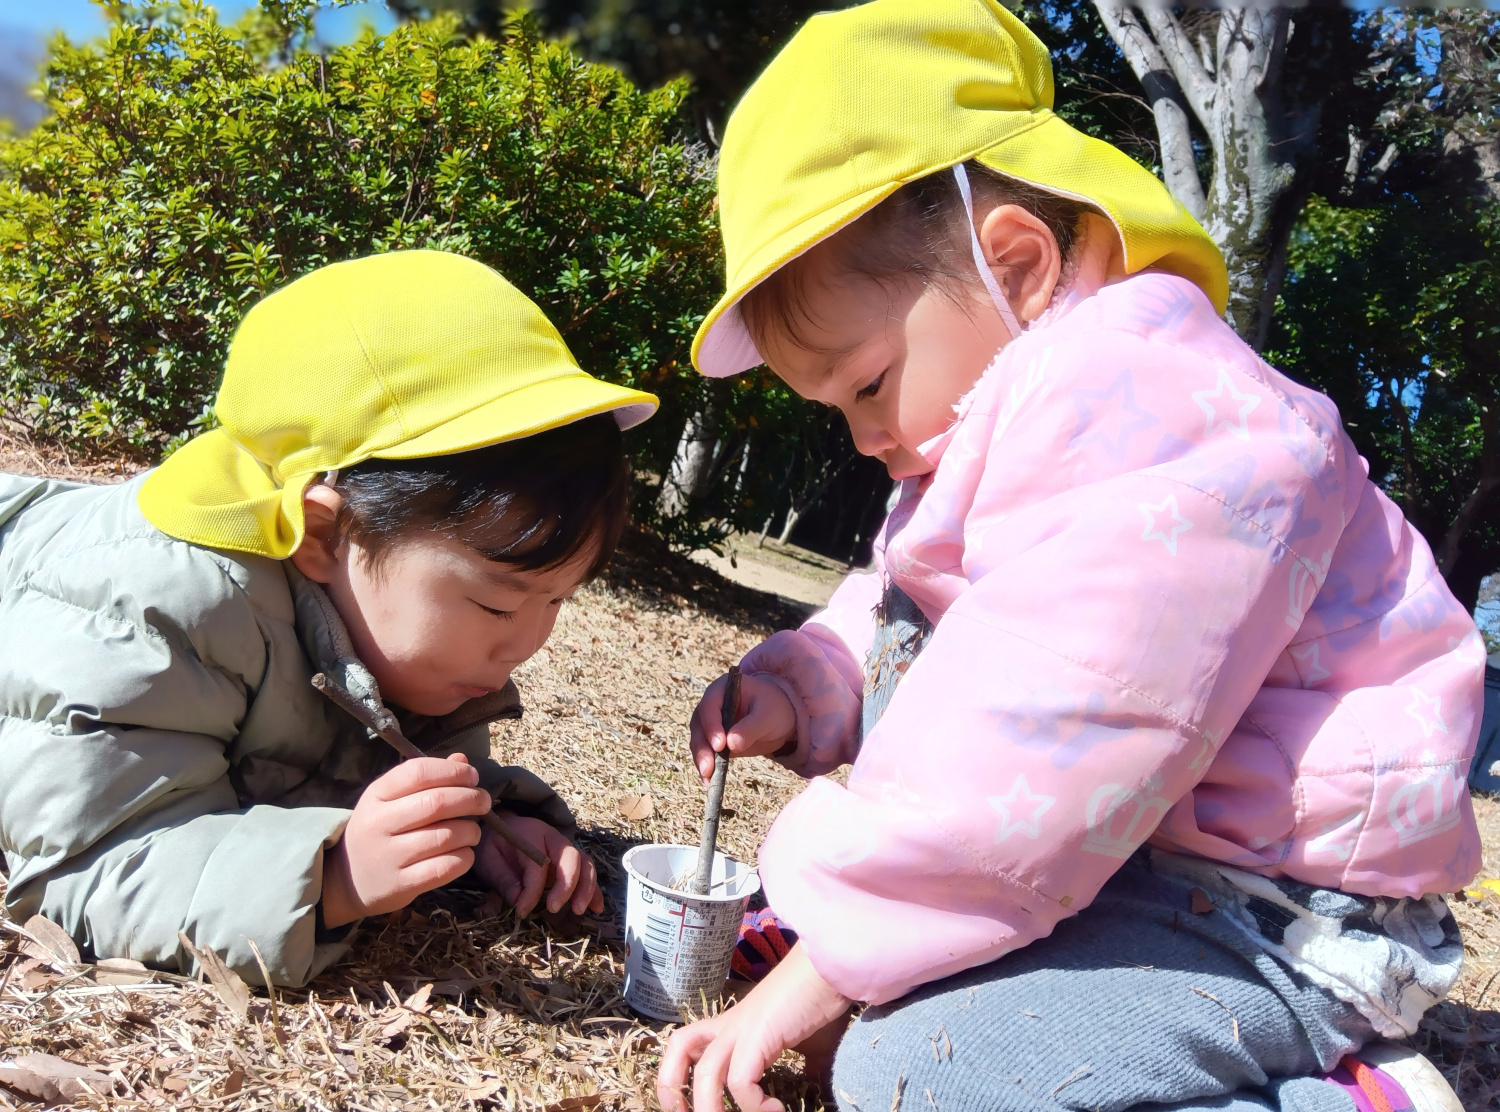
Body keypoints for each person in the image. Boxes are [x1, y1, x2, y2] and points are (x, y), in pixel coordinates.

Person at [656, 3, 1483, 1111]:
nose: (859, 432)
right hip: (1145, 859)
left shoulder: (1164, 411)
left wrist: (830, 960)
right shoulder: (1017, 425)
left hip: (1278, 907)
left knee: (928, 1069)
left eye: (864, 383)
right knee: (892, 1000)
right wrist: (810, 682)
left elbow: (1057, 715)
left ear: (1019, 263)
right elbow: (913, 604)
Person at [0, 250, 657, 988]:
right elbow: (88, 865)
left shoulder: (416, 644)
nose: (530, 638)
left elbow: (386, 756)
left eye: (557, 600)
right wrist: (335, 877)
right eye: (497, 602)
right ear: (322, 535)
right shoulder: (152, 607)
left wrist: (477, 829)